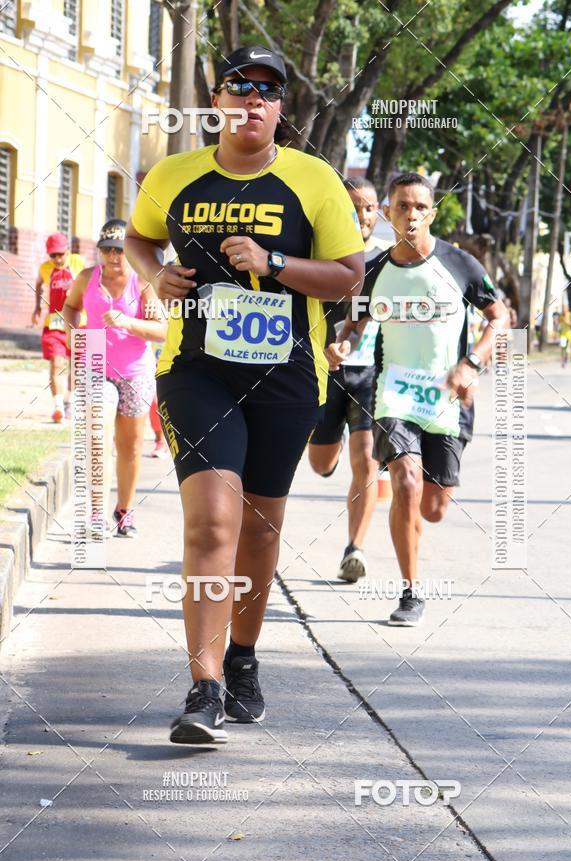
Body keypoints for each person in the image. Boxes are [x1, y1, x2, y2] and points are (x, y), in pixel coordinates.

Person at [124, 46, 364, 746]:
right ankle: (203, 688)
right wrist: (155, 277)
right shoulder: (174, 176)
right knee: (211, 525)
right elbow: (140, 241)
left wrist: (275, 263)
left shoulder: (314, 181)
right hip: (196, 372)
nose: (252, 101)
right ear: (218, 102)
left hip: (288, 377)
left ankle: (244, 655)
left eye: (267, 91)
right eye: (239, 88)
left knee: (259, 530)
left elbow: (347, 277)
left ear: (281, 108)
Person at [338, 172, 508, 626]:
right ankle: (411, 592)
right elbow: (352, 326)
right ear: (386, 214)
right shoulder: (373, 270)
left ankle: (414, 539)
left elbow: (500, 316)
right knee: (406, 485)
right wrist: (342, 345)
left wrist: (471, 363)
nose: (410, 214)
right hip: (394, 392)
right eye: (401, 206)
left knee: (432, 508)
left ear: (430, 213)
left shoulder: (460, 264)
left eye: (418, 207)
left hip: (447, 399)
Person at [308, 176, 391, 582]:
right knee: (321, 464)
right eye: (355, 206)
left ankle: (354, 549)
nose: (362, 215)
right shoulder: (320, 253)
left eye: (370, 207)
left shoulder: (387, 259)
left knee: (367, 462)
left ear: (379, 213)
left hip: (369, 376)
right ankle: (330, 446)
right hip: (321, 372)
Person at [63, 219, 166, 536]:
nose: (111, 257)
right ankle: (96, 515)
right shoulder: (86, 279)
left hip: (135, 372)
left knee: (131, 447)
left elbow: (162, 330)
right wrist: (73, 332)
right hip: (95, 365)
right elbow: (70, 307)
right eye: (106, 250)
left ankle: (124, 511)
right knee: (97, 437)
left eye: (118, 251)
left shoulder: (143, 284)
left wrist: (126, 322)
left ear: (129, 253)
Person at [32, 232, 85, 422]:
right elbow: (38, 284)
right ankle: (58, 407)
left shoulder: (79, 263)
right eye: (53, 255)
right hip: (54, 323)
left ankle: (69, 401)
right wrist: (37, 306)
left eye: (60, 254)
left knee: (77, 366)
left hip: (80, 322)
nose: (57, 259)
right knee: (56, 362)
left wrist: (79, 290)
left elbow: (93, 283)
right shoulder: (45, 268)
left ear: (68, 250)